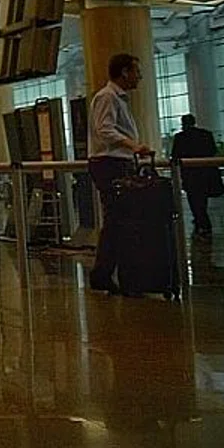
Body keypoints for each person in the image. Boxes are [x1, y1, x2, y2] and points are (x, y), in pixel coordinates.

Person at [87, 52, 149, 294]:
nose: (140, 77)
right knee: (118, 220)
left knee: (118, 221)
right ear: (124, 72)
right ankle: (105, 274)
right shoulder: (107, 97)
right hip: (110, 163)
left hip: (114, 162)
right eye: (137, 71)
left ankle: (107, 274)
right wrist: (134, 146)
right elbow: (105, 130)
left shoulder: (117, 98)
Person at [169, 113, 220, 240]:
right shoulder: (206, 135)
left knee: (194, 199)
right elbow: (213, 151)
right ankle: (202, 222)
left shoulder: (180, 137)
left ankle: (201, 223)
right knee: (202, 199)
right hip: (205, 172)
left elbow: (175, 155)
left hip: (190, 174)